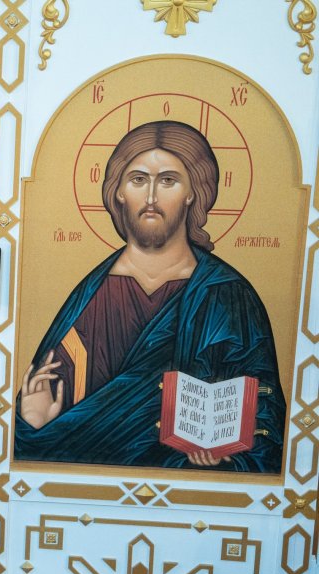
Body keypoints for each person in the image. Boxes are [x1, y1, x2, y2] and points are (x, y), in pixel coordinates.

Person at [16, 120, 284, 472]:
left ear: (193, 192)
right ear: (119, 192)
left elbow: (264, 416)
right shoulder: (90, 297)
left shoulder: (228, 295)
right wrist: (33, 424)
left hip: (187, 494)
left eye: (168, 180)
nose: (152, 197)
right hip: (86, 490)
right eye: (138, 180)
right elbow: (45, 420)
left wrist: (226, 452)